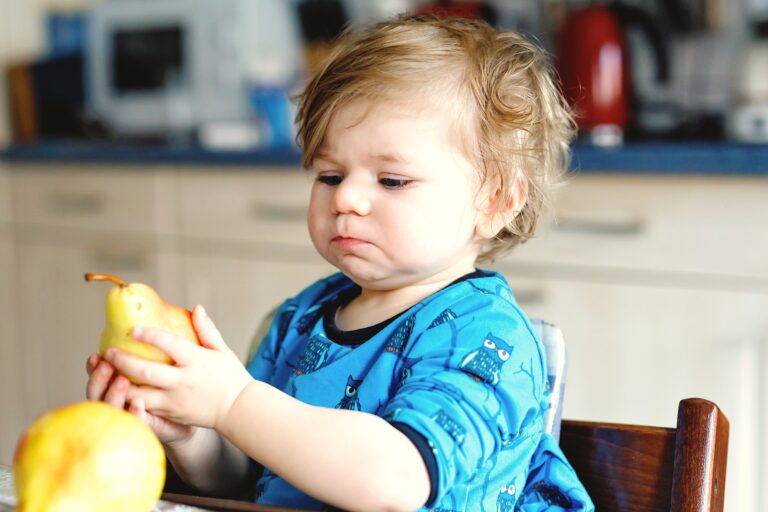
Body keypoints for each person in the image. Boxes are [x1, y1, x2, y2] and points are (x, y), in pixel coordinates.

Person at [85, 15, 593, 511]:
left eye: (391, 180)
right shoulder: (299, 318)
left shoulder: (485, 337)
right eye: (329, 175)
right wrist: (189, 432)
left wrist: (233, 403)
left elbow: (394, 481)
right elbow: (245, 477)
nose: (346, 197)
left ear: (496, 202)